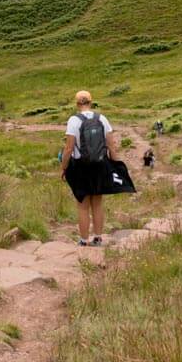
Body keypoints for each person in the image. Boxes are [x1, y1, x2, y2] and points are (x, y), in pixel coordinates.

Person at [59, 90, 118, 246]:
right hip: (100, 165)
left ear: (77, 104)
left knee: (83, 205)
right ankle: (98, 238)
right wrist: (115, 165)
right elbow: (111, 145)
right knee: (97, 203)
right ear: (91, 102)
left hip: (81, 167)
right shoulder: (102, 118)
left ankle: (84, 240)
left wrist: (64, 167)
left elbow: (68, 148)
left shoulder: (74, 120)